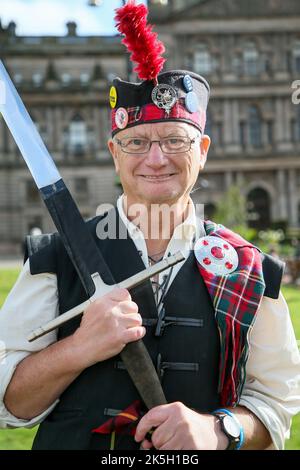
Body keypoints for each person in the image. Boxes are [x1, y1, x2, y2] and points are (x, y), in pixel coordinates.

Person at [0, 1, 299, 451]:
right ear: (114, 153)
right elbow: (9, 408)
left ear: (202, 150)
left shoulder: (252, 271)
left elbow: (276, 403)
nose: (155, 159)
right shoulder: (52, 259)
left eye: (174, 141)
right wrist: (79, 347)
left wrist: (219, 430)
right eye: (136, 142)